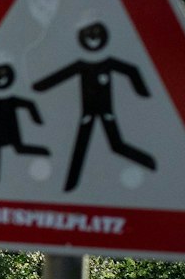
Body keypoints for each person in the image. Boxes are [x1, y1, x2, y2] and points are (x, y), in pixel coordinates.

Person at [33, 21, 156, 192]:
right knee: (82, 146)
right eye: (89, 35)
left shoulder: (109, 63)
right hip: (88, 114)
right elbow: (60, 76)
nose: (92, 39)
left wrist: (142, 91)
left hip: (106, 113)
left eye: (96, 35)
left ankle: (149, 163)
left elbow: (131, 71)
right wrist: (36, 87)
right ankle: (69, 186)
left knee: (114, 145)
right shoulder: (82, 66)